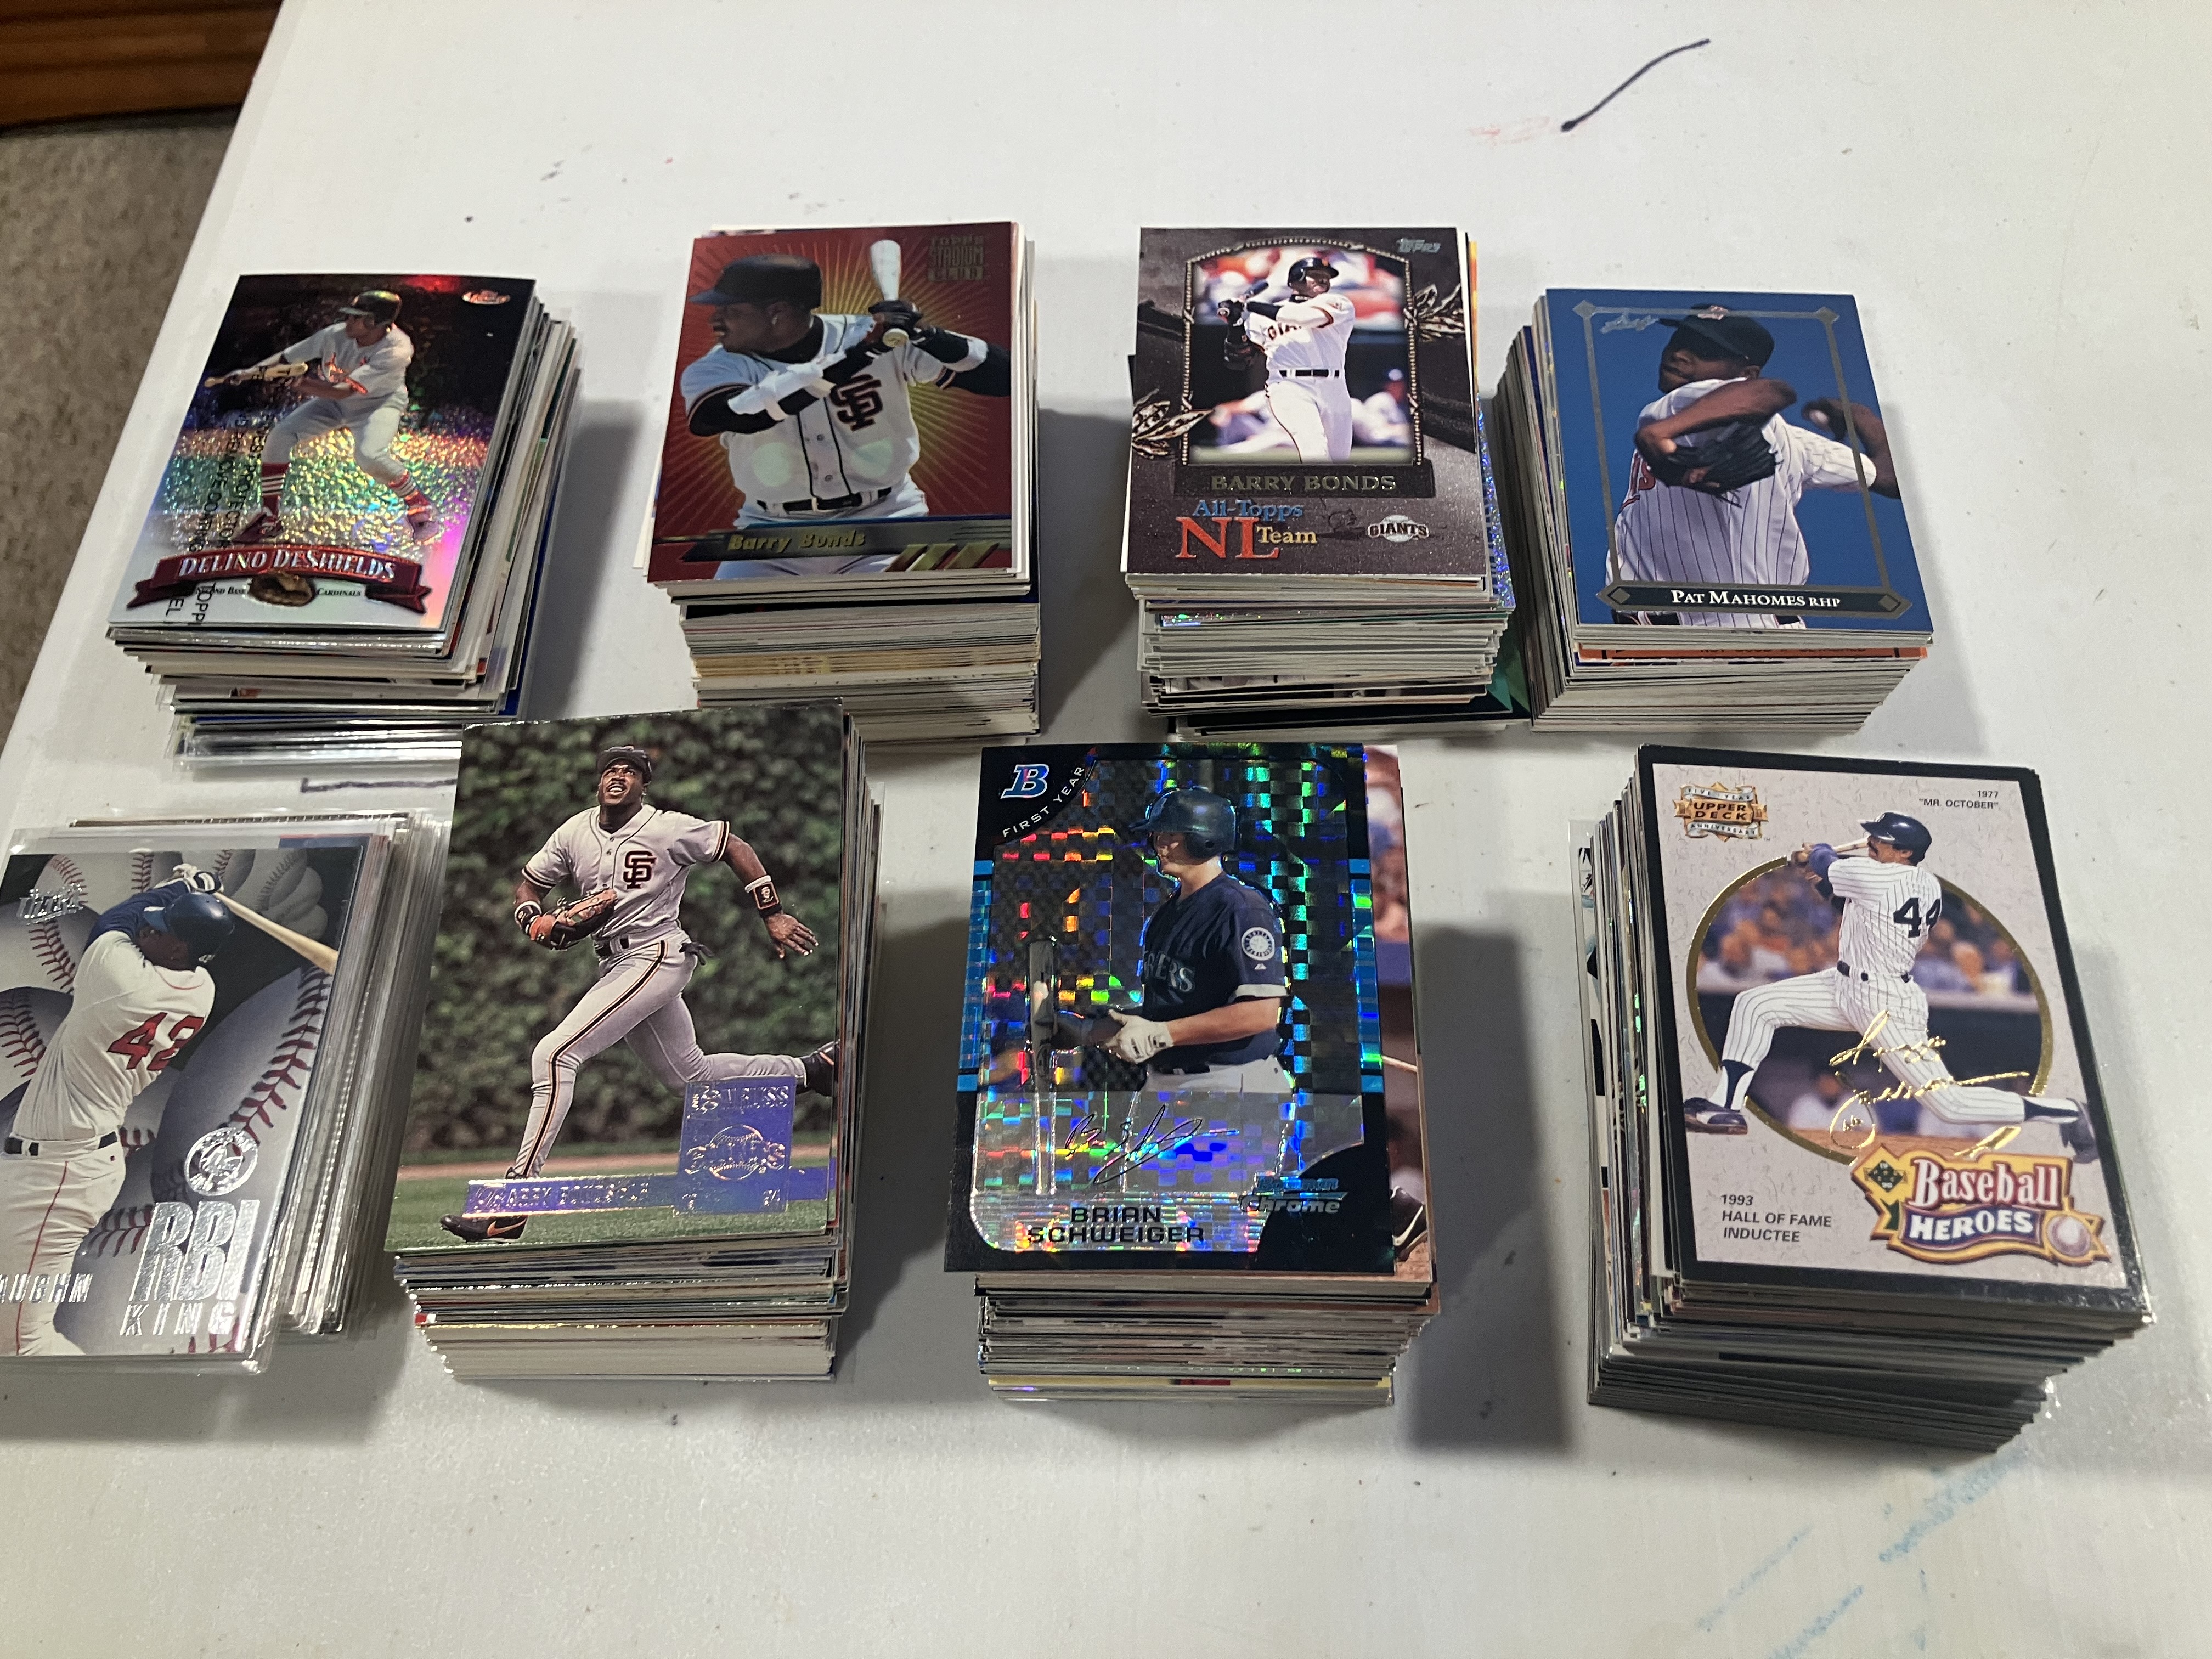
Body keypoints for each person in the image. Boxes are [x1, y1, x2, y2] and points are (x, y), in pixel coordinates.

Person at [440, 745, 835, 1243]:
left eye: (631, 772)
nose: (619, 776)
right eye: (612, 769)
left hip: (657, 952)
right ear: (599, 782)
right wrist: (532, 919)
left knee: (555, 1055)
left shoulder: (666, 827)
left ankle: (515, 1202)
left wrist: (772, 913)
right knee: (690, 1079)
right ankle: (815, 1069)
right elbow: (529, 885)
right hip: (615, 963)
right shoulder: (573, 832)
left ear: (643, 787)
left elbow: (733, 845)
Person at [1684, 812, 2097, 1160]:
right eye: (1875, 837)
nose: (1874, 842)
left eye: (1884, 841)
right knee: (1755, 1005)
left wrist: (1818, 853)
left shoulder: (1879, 875)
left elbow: (1829, 862)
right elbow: (1849, 901)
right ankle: (1726, 1107)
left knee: (1949, 1104)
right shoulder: (1925, 883)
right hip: (1844, 985)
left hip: (1885, 1002)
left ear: (1905, 854)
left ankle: (2066, 1112)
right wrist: (1820, 874)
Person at [0, 876, 234, 1353]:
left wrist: (176, 888)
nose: (147, 930)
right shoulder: (200, 989)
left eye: (160, 929)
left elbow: (115, 921)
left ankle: (98, 1400)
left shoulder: (122, 981)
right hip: (63, 1161)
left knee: (23, 1341)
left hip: (57, 1175)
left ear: (180, 949)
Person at [678, 252, 1009, 579]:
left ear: (777, 312)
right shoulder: (718, 367)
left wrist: (929, 335)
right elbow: (737, 417)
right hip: (772, 533)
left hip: (885, 521)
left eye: (730, 310)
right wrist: (858, 356)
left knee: (907, 612)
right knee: (727, 612)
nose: (715, 320)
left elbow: (1005, 376)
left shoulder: (871, 336)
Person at [1608, 304, 1899, 625]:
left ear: (1746, 375)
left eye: (1706, 351)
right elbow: (1888, 477)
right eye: (1680, 341)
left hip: (1715, 635)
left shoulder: (1687, 401)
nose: (1681, 355)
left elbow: (1774, 392)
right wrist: (1861, 416)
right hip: (1758, 629)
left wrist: (1660, 431)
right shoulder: (1796, 442)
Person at [1095, 786, 1290, 1093]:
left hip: (1229, 1082)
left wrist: (1162, 1034)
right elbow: (1170, 1011)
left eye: (1171, 834)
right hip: (1166, 1081)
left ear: (1205, 838)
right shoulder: (1166, 914)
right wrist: (1086, 1030)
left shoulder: (1240, 908)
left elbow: (1261, 1014)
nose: (1159, 843)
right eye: (1158, 834)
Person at [229, 290, 437, 546]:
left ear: (374, 322)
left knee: (369, 456)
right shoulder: (335, 335)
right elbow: (287, 357)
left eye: (356, 317)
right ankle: (269, 517)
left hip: (377, 405)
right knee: (279, 436)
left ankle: (419, 505)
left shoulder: (397, 349)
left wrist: (300, 383)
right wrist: (249, 373)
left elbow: (343, 391)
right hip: (334, 402)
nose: (348, 322)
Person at [1218, 257, 1358, 465]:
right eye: (1316, 276)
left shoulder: (1338, 303)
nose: (1324, 280)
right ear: (1296, 280)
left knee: (1339, 460)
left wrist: (1250, 306)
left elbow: (1303, 317)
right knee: (1315, 451)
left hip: (1334, 387)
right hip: (1289, 386)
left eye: (1327, 277)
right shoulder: (1260, 319)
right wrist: (1235, 323)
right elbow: (1238, 359)